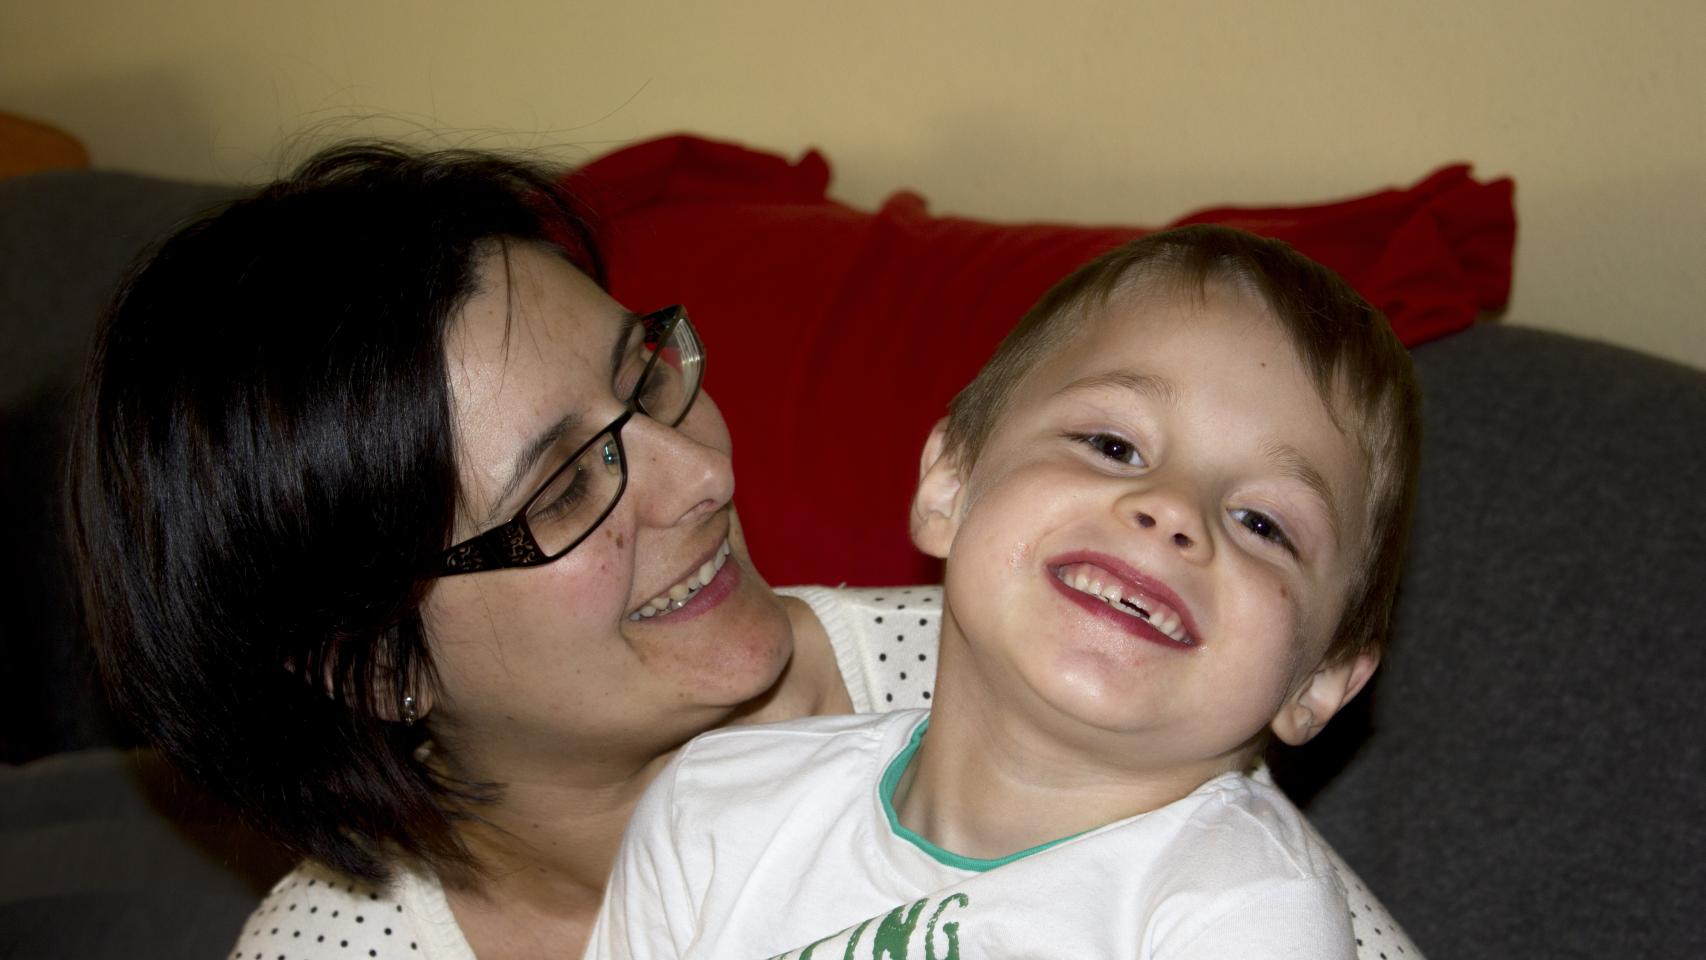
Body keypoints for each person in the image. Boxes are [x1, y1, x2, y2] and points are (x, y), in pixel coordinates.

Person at [69, 143, 1417, 960]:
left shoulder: (1056, 682)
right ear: (370, 664)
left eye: (646, 377)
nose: (704, 473)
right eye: (560, 487)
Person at [588, 224, 1422, 959]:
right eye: (1113, 444)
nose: (1174, 511)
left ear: (1321, 681)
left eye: (1263, 524)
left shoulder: (1240, 916)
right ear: (950, 486)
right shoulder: (714, 809)